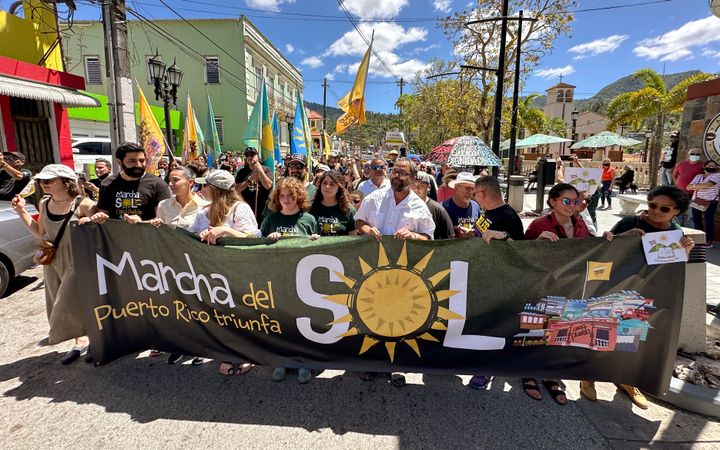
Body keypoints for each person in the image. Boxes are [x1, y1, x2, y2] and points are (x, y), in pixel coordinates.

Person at [582, 185, 695, 409]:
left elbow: (673, 267)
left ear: (676, 212)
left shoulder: (676, 233)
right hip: (616, 287)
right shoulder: (629, 223)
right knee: (601, 330)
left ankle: (627, 380)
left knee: (631, 336)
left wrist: (686, 252)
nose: (656, 211)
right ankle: (588, 376)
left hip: (645, 293)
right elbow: (603, 248)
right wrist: (623, 237)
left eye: (664, 209)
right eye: (652, 205)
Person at [355, 158, 435, 387]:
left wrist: (414, 236)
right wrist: (367, 229)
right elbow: (359, 220)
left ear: (412, 178)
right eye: (395, 172)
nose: (398, 176)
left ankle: (394, 366)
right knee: (370, 316)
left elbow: (429, 237)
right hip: (371, 271)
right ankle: (372, 364)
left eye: (403, 173)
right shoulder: (375, 198)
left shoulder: (420, 207)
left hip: (403, 276)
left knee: (396, 319)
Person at [12, 164, 95, 364]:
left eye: (49, 180)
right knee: (58, 299)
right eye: (42, 181)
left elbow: (101, 228)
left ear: (66, 182)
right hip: (52, 259)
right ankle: (80, 340)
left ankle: (95, 339)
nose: (43, 184)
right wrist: (21, 211)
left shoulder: (83, 204)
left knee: (75, 301)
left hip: (78, 258)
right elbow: (40, 232)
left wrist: (92, 220)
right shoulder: (44, 203)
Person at [523, 183, 593, 406]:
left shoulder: (580, 223)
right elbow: (522, 256)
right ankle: (528, 372)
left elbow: (593, 247)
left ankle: (551, 375)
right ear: (552, 201)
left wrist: (611, 237)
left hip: (568, 288)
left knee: (559, 331)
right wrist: (537, 242)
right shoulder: (539, 224)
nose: (572, 206)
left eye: (576, 201)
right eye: (566, 201)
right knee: (537, 330)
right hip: (542, 288)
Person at [467, 175, 525, 390]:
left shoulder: (509, 216)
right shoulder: (487, 212)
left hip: (500, 282)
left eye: (475, 193)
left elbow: (522, 250)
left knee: (494, 328)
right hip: (482, 277)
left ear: (482, 193)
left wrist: (504, 236)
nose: (473, 197)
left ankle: (488, 370)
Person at [261, 177, 318, 384]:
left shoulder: (309, 220)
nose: (286, 199)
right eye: (282, 195)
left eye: (290, 195)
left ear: (298, 197)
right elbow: (257, 248)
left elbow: (321, 249)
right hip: (278, 278)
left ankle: (303, 362)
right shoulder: (271, 220)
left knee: (302, 321)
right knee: (282, 321)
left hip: (303, 279)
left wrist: (314, 241)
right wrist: (268, 240)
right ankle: (282, 360)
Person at [86, 143, 171, 224]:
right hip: (117, 237)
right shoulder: (107, 184)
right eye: (132, 161)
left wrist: (141, 223)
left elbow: (164, 220)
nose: (138, 165)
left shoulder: (158, 184)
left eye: (142, 160)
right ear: (119, 162)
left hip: (147, 236)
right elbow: (104, 215)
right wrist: (97, 217)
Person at [151, 166, 209, 231]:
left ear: (190, 182)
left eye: (175, 180)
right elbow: (160, 231)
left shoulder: (205, 207)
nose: (170, 184)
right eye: (169, 180)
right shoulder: (164, 205)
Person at [309, 170, 357, 236]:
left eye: (332, 184)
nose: (327, 187)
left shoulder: (349, 210)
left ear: (339, 188)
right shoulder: (310, 207)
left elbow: (353, 240)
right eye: (324, 183)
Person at [410, 171, 454, 240]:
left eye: (421, 186)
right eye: (413, 185)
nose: (416, 189)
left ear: (428, 187)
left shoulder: (438, 210)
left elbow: (449, 237)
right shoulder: (404, 207)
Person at [235, 147, 273, 223]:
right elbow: (236, 189)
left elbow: (268, 185)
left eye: (252, 155)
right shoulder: (241, 172)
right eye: (247, 155)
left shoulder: (266, 169)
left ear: (257, 157)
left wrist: (261, 172)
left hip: (263, 208)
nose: (249, 157)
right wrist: (249, 181)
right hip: (247, 208)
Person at [687, 160, 720, 248]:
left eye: (714, 166)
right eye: (710, 165)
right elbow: (688, 187)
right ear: (704, 167)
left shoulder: (717, 176)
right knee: (697, 220)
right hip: (697, 201)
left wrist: (695, 186)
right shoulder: (699, 176)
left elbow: (708, 185)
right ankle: (699, 238)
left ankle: (709, 240)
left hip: (710, 202)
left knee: (708, 221)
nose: (712, 167)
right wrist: (699, 186)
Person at [442, 172, 480, 239]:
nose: (470, 192)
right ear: (456, 188)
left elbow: (481, 232)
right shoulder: (443, 207)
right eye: (467, 188)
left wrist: (474, 233)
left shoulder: (475, 206)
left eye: (472, 189)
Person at [673, 148, 705, 227]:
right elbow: (674, 174)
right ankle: (676, 229)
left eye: (697, 154)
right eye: (693, 153)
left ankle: (689, 232)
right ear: (689, 155)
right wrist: (677, 183)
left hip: (695, 194)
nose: (695, 155)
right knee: (678, 212)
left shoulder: (703, 166)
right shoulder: (681, 164)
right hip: (680, 193)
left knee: (691, 215)